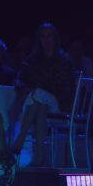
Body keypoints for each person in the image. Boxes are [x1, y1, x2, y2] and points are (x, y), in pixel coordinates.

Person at [11, 23, 76, 166]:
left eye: (49, 36)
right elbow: (19, 78)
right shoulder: (33, 59)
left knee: (39, 95)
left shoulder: (64, 59)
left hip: (59, 104)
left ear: (55, 38)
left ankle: (21, 138)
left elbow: (65, 87)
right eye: (43, 37)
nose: (46, 40)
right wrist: (25, 88)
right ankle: (40, 156)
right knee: (39, 104)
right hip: (41, 103)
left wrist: (42, 88)